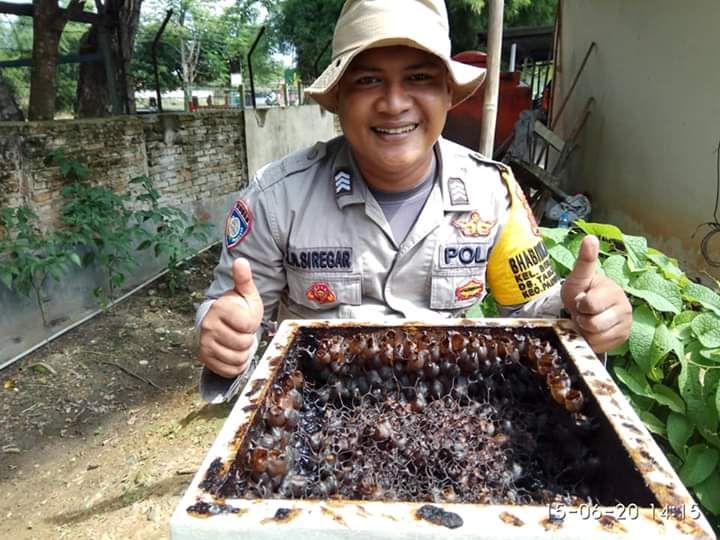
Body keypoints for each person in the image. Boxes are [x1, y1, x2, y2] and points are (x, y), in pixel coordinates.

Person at [195, 0, 632, 403]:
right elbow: (237, 316)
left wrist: (579, 314)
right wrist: (226, 337)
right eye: (368, 80)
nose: (394, 103)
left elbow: (532, 314)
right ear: (339, 101)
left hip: (446, 430)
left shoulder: (492, 195)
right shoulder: (277, 199)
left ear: (448, 93)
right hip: (315, 428)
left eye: (419, 78)